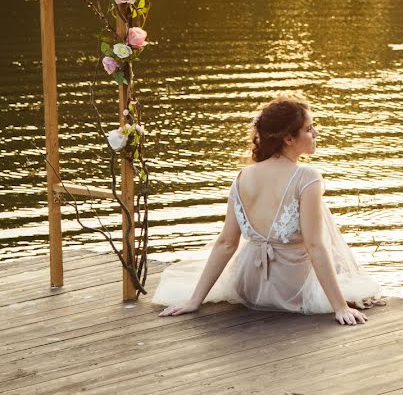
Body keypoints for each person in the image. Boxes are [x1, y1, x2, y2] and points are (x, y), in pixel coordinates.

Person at [153, 95, 383, 325]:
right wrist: (340, 306)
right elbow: (315, 244)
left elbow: (226, 243)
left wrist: (195, 300)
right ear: (288, 138)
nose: (316, 134)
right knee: (343, 268)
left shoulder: (243, 176)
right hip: (292, 289)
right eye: (309, 128)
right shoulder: (307, 177)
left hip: (248, 286)